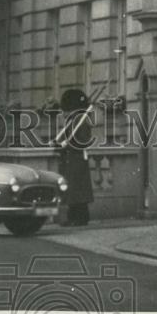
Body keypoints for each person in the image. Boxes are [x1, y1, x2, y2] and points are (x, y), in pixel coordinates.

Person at [57, 89, 95, 227]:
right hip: (71, 159)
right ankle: (73, 216)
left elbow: (83, 140)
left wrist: (67, 145)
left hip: (77, 159)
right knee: (72, 190)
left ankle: (81, 218)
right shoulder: (73, 120)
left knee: (78, 191)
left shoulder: (82, 121)